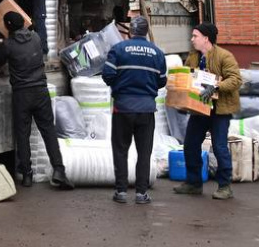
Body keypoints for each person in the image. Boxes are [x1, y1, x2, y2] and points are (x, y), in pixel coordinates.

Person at [0, 12, 74, 190]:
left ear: (8, 26)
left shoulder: (8, 45)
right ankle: (59, 170)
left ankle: (26, 174)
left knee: (22, 134)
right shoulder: (35, 37)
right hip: (41, 91)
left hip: (22, 94)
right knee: (49, 131)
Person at [101, 15, 166, 205]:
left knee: (120, 150)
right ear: (145, 32)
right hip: (146, 110)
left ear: (130, 31)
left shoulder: (118, 49)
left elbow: (107, 75)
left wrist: (121, 85)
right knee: (144, 152)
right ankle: (141, 193)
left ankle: (121, 191)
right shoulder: (157, 53)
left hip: (123, 108)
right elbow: (162, 80)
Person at [173, 23, 242, 200]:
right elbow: (188, 79)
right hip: (200, 108)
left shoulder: (224, 56)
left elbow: (235, 79)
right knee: (190, 143)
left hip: (220, 110)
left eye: (195, 36)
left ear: (206, 38)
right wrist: (182, 101)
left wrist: (216, 86)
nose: (192, 39)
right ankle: (193, 183)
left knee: (219, 147)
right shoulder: (193, 58)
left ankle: (225, 186)